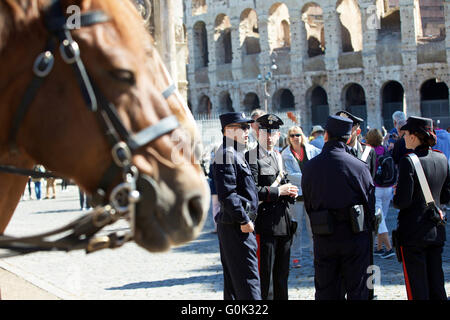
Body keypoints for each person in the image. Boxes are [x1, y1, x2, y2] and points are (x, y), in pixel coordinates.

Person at [301, 115, 376, 300]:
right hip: (354, 236)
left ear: (325, 135)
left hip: (324, 236)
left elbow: (308, 203)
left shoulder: (310, 167)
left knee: (326, 290)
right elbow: (370, 205)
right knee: (358, 289)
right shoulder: (359, 167)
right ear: (348, 138)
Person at [392, 116, 449, 300]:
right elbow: (447, 196)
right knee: (436, 284)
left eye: (406, 133)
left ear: (415, 136)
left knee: (418, 288)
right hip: (436, 229)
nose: (403, 137)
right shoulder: (441, 158)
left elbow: (402, 202)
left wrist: (396, 193)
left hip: (413, 233)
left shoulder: (409, 161)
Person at [246, 114, 298, 300]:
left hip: (283, 223)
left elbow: (282, 181)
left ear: (278, 135)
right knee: (265, 275)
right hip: (264, 224)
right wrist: (279, 192)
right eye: (265, 133)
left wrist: (291, 192)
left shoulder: (278, 155)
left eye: (273, 133)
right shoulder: (251, 157)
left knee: (282, 274)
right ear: (258, 134)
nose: (269, 137)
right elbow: (251, 192)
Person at [211, 112, 261, 300]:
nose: (248, 131)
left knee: (235, 283)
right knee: (248, 280)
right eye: (243, 127)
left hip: (236, 224)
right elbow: (228, 194)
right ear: (229, 130)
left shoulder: (234, 153)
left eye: (248, 127)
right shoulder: (226, 154)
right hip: (236, 225)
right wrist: (244, 219)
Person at [281, 125, 321, 266]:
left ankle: (316, 256)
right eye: (292, 136)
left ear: (302, 135)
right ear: (288, 138)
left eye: (297, 135)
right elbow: (289, 175)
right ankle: (296, 257)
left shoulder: (312, 150)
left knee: (313, 228)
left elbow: (320, 164)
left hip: (311, 194)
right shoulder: (285, 154)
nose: (295, 138)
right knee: (296, 228)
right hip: (296, 196)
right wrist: (310, 177)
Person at [365, 128, 395, 259]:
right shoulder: (385, 150)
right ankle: (378, 247)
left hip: (376, 188)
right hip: (388, 187)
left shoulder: (369, 152)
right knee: (382, 217)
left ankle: (388, 248)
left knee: (379, 219)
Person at [335, 110, 376, 178]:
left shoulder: (368, 151)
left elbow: (371, 180)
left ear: (358, 131)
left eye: (348, 130)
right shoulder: (335, 152)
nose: (344, 134)